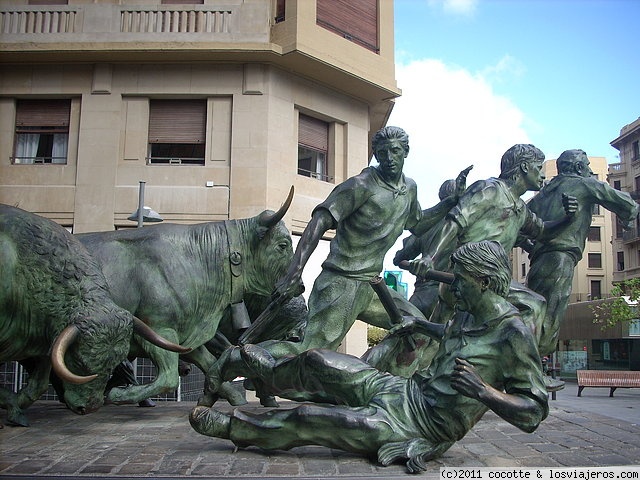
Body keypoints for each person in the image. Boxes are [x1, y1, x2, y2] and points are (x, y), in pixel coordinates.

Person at [189, 241, 548, 474]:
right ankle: (268, 370)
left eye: (461, 280)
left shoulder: (512, 334)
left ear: (484, 282)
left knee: (309, 417)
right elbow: (452, 335)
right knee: (317, 359)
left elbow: (533, 412)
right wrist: (420, 326)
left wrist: (484, 391)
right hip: (402, 391)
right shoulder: (469, 312)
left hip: (421, 425)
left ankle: (235, 426)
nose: (453, 286)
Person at [211, 126, 471, 382]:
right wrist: (294, 272)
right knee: (309, 350)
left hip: (371, 285)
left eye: (394, 151)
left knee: (417, 327)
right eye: (382, 153)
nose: (389, 158)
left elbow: (417, 223)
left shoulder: (409, 189)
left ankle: (385, 390)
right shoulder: (360, 186)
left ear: (406, 152)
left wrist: (450, 202)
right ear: (376, 155)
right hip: (340, 283)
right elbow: (318, 222)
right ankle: (231, 361)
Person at [399, 144, 577, 345]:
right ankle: (507, 359)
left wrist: (568, 218)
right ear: (525, 167)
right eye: (539, 167)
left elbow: (543, 231)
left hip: (487, 282)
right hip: (468, 277)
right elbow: (455, 222)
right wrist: (430, 257)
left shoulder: (521, 209)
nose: (543, 175)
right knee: (534, 305)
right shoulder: (489, 190)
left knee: (431, 344)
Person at [525, 149, 638, 356]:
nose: (589, 170)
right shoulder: (584, 183)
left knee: (535, 311)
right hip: (561, 259)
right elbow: (625, 203)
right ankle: (530, 366)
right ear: (578, 168)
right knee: (550, 314)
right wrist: (630, 213)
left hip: (538, 261)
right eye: (587, 166)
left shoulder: (544, 194)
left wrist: (530, 245)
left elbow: (520, 223)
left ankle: (527, 363)